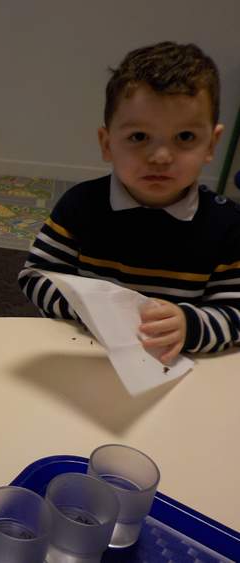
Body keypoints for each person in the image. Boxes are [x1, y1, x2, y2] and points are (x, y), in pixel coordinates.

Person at [19, 41, 240, 364]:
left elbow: (235, 312)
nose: (160, 157)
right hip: (85, 353)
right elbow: (36, 276)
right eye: (139, 137)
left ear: (211, 144)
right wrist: (89, 309)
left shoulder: (228, 225)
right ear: (107, 144)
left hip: (177, 367)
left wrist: (189, 325)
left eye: (185, 137)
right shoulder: (80, 205)